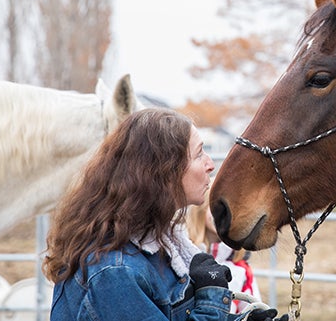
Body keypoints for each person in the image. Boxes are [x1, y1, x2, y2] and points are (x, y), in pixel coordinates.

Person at [43, 108, 285, 321]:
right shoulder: (114, 273)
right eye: (199, 154)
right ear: (164, 173)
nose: (211, 164)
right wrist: (211, 296)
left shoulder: (162, 248)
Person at [186, 188, 262, 314]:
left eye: (230, 208)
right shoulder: (181, 259)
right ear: (200, 209)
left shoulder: (241, 270)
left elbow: (253, 309)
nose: (223, 215)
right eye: (216, 206)